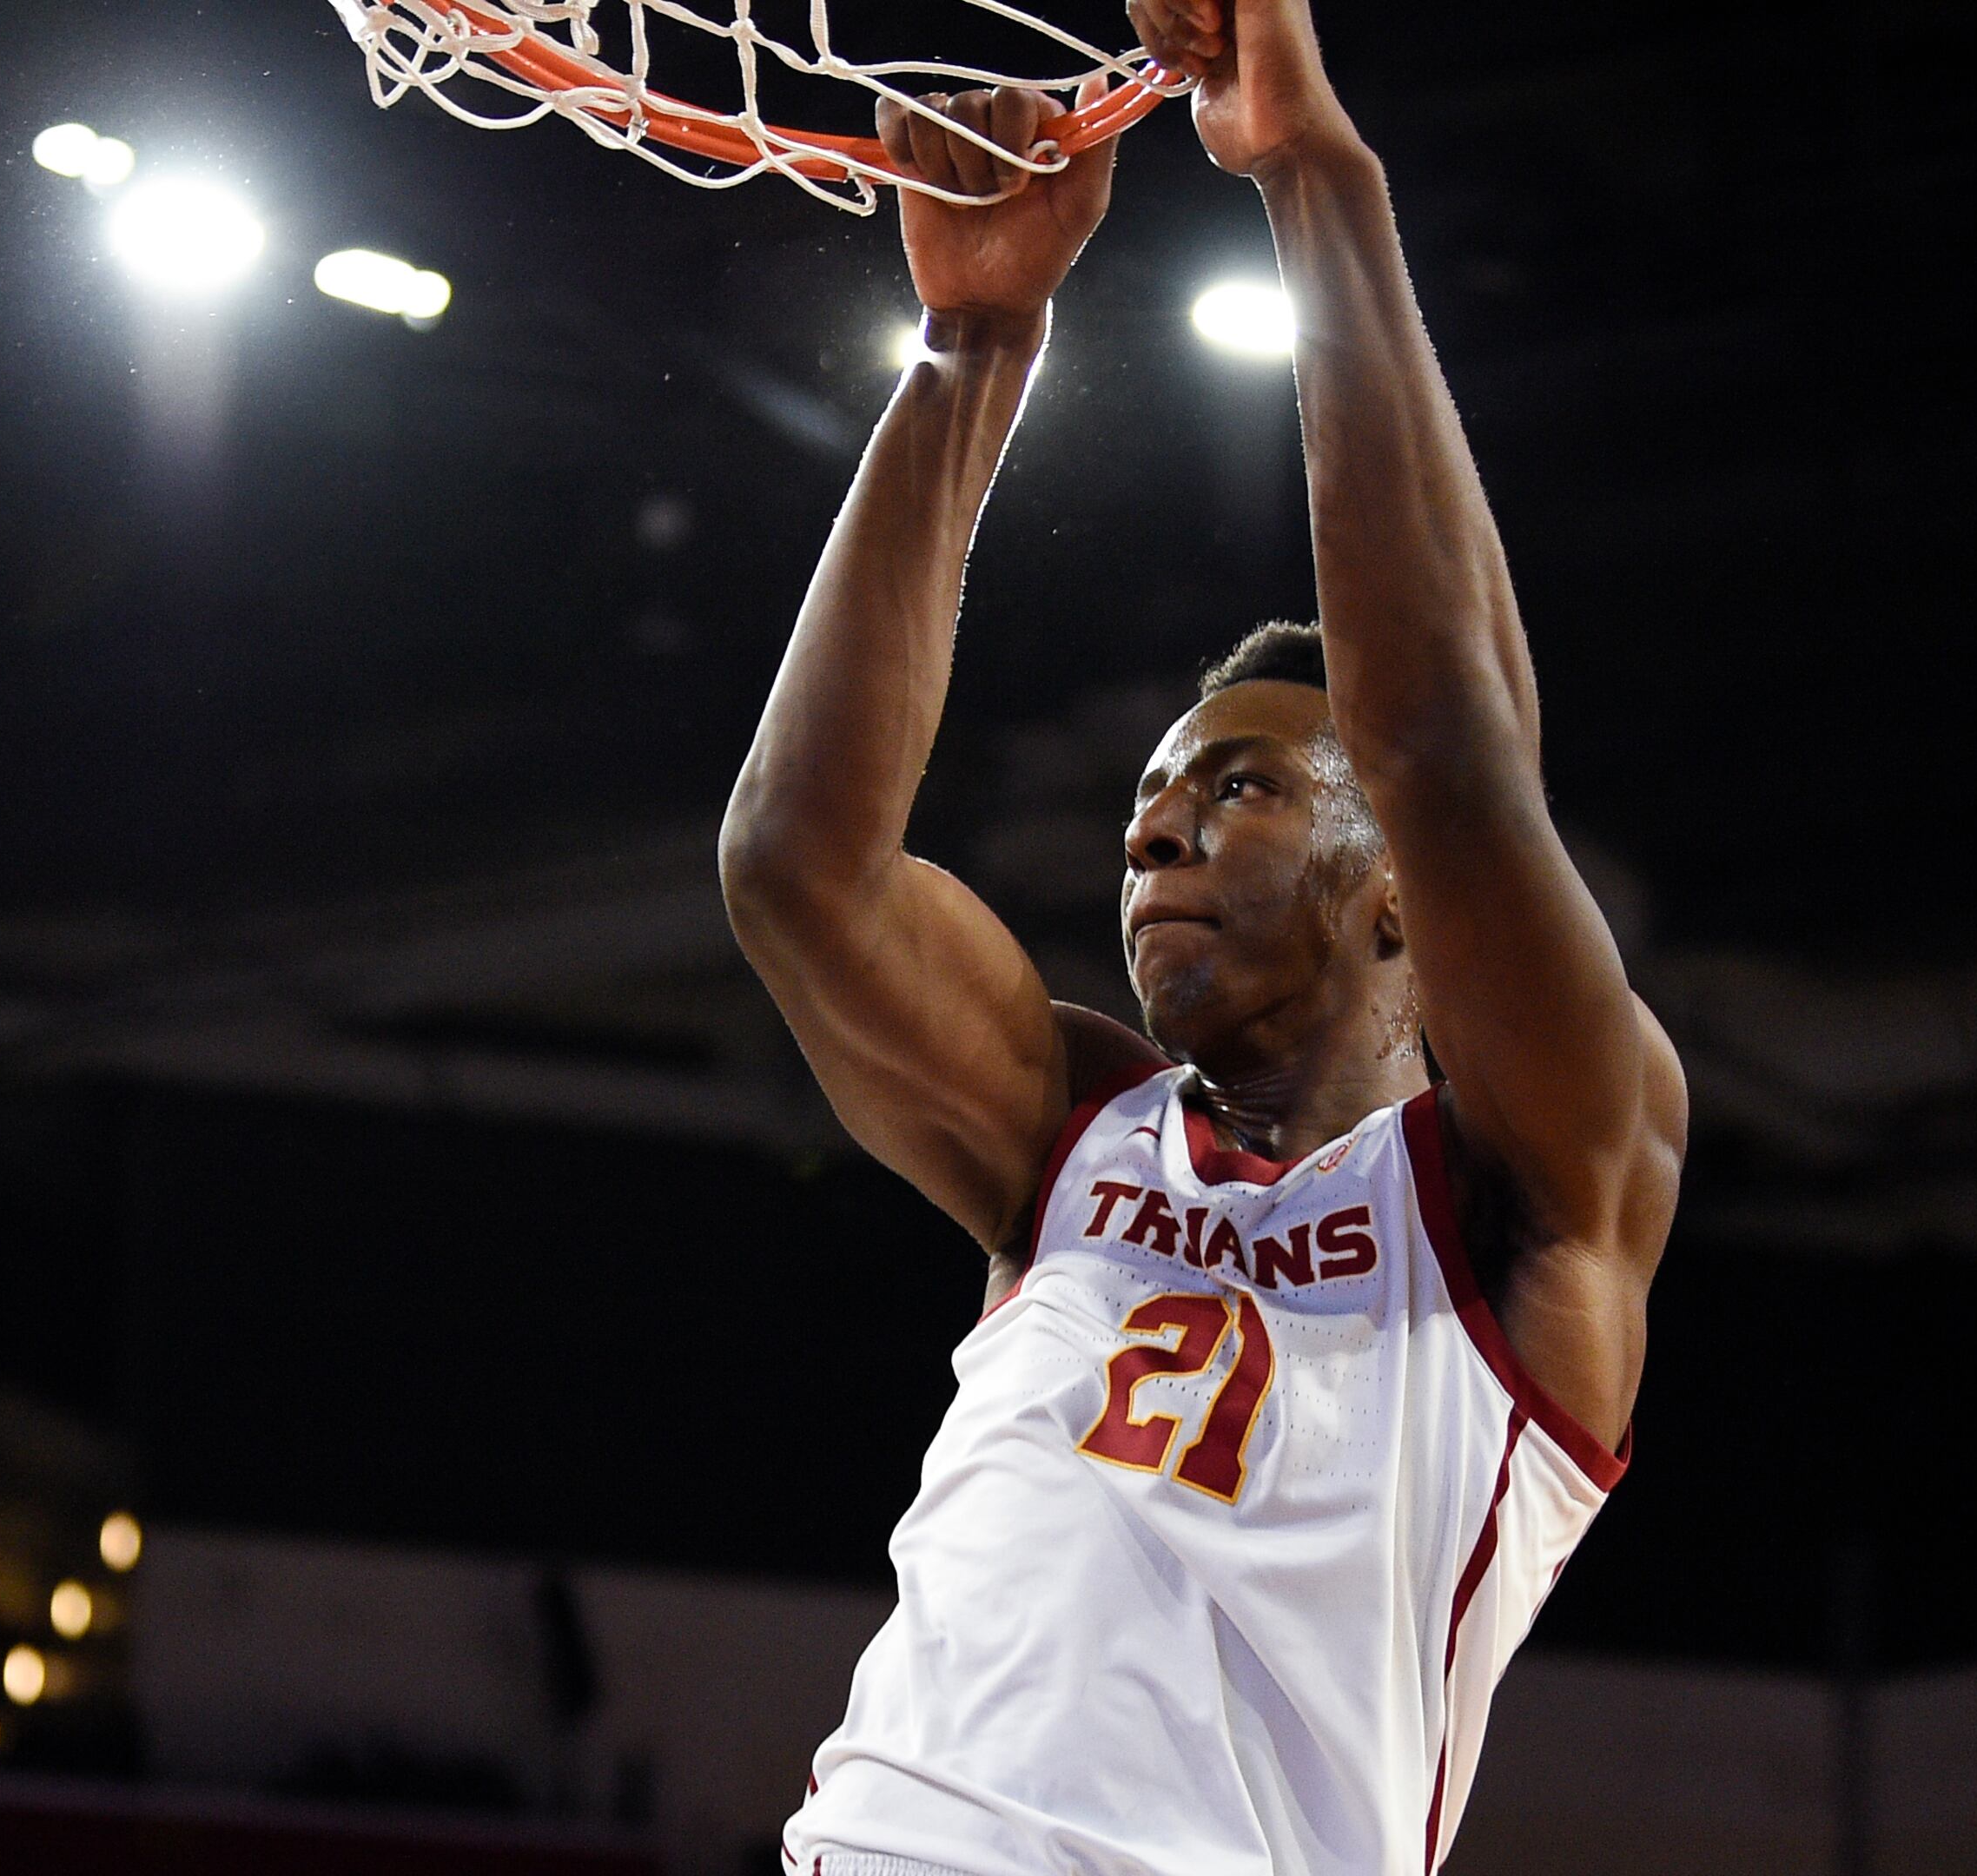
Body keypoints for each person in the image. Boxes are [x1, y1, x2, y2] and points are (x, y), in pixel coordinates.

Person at [717, 1, 1688, 1870]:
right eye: (1154, 796)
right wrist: (973, 347)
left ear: (1392, 883)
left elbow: (1448, 752)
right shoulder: (1070, 1131)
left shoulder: (1534, 1187)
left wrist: (1314, 176)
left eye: (1241, 789)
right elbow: (798, 869)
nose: (1162, 818)